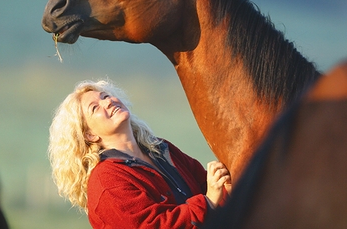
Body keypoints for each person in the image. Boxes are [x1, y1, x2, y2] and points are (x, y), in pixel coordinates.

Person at [48, 79, 231, 228]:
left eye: (106, 96)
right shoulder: (106, 181)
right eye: (95, 108)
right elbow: (153, 226)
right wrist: (208, 201)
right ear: (90, 135)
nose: (108, 101)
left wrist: (227, 188)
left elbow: (207, 186)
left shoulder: (161, 149)